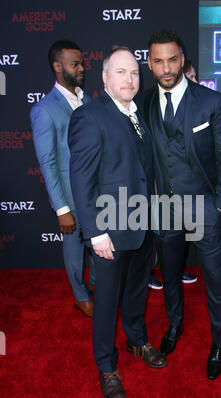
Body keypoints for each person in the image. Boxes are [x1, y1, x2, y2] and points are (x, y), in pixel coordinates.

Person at [68, 46, 167, 398]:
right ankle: (106, 366)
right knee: (107, 302)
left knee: (137, 290)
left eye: (134, 73)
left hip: (142, 224)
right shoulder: (90, 116)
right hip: (108, 229)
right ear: (105, 77)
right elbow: (81, 179)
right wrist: (95, 231)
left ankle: (137, 340)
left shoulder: (138, 114)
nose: (130, 79)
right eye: (121, 73)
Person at [142, 29, 221, 380]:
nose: (166, 67)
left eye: (172, 59)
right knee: (169, 275)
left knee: (215, 279)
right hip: (164, 208)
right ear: (149, 63)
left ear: (182, 59)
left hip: (205, 208)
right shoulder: (145, 103)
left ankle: (218, 342)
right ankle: (174, 324)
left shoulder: (211, 102)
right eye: (158, 61)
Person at [30, 40, 95, 317]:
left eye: (81, 63)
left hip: (95, 190)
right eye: (74, 64)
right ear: (58, 67)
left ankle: (93, 286)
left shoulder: (87, 99)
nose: (81, 68)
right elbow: (48, 162)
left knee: (97, 243)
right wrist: (61, 208)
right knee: (74, 247)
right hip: (70, 195)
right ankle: (80, 297)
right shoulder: (44, 110)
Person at [148, 57, 199, 291]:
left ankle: (176, 270)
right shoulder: (151, 104)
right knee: (158, 236)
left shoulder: (200, 106)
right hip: (159, 189)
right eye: (192, 78)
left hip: (188, 190)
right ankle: (150, 272)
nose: (196, 82)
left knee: (180, 236)